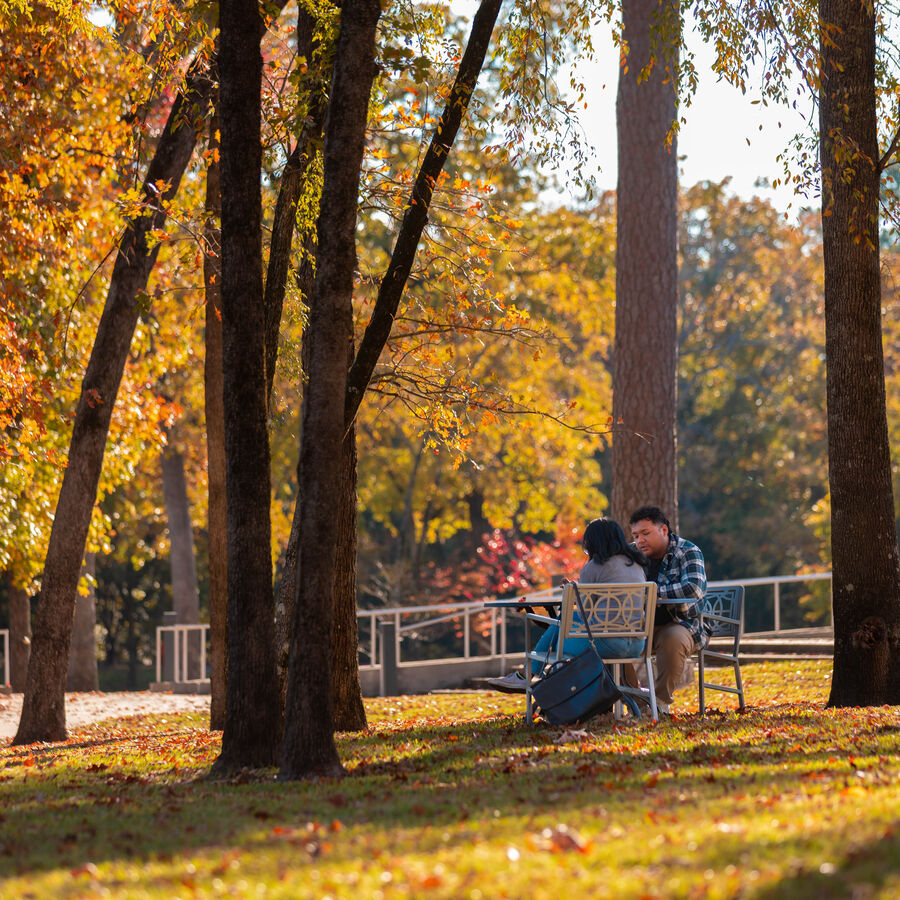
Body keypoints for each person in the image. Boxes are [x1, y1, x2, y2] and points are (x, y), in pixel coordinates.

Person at [486, 518, 649, 693]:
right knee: (564, 622)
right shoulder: (636, 565)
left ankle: (530, 678)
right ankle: (529, 677)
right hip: (637, 646)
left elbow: (586, 612)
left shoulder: (594, 566)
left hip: (606, 644)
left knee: (562, 629)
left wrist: (573, 594)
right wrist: (578, 590)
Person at [627, 505, 708, 714]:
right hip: (640, 624)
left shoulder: (688, 551)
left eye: (646, 533)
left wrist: (652, 593)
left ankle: (660, 703)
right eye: (636, 535)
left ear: (663, 530)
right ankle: (638, 700)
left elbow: (694, 588)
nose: (640, 540)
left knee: (672, 638)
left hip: (680, 623)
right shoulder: (630, 554)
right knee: (613, 643)